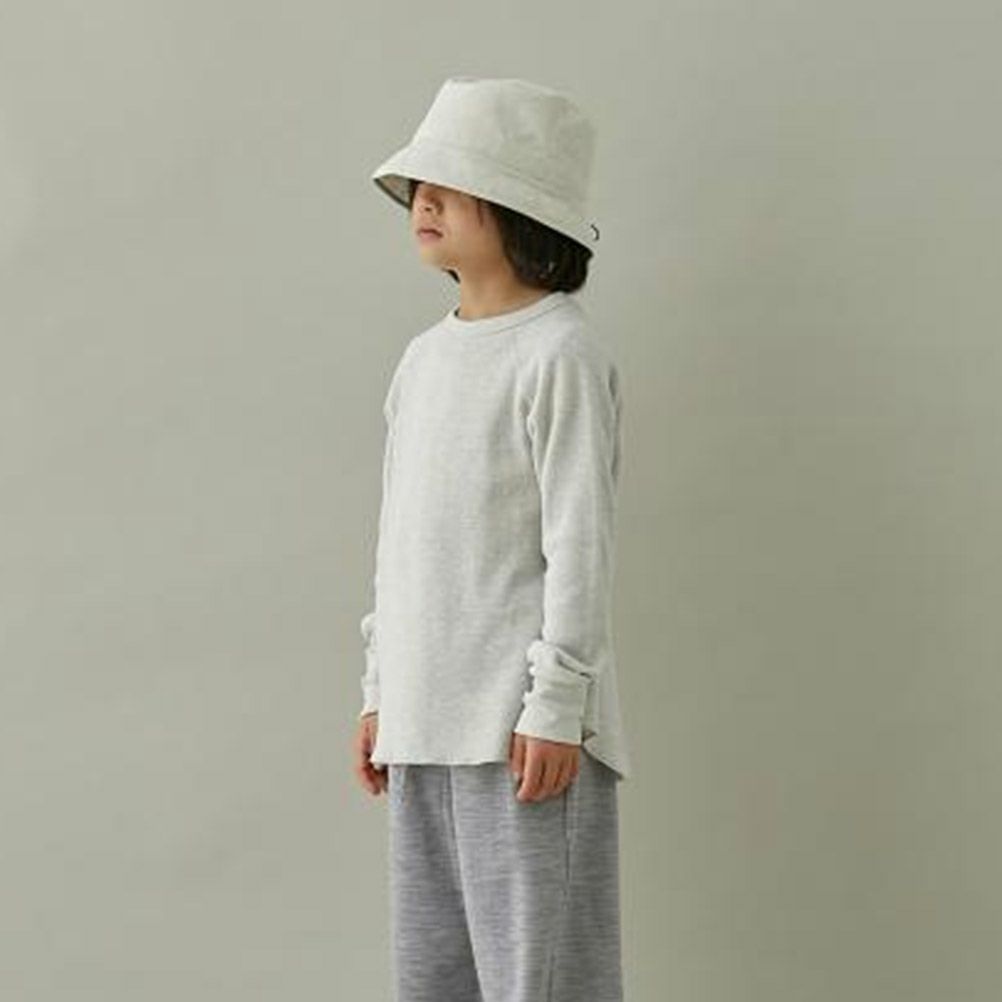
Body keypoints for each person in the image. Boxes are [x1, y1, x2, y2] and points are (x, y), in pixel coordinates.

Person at [351, 76, 631, 1002]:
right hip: (425, 724)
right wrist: (382, 691)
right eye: (419, 186)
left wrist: (557, 706)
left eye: (452, 185)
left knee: (539, 981)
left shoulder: (559, 354)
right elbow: (400, 544)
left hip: (520, 732)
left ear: (520, 208)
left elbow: (579, 545)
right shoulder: (422, 360)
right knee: (433, 980)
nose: (423, 202)